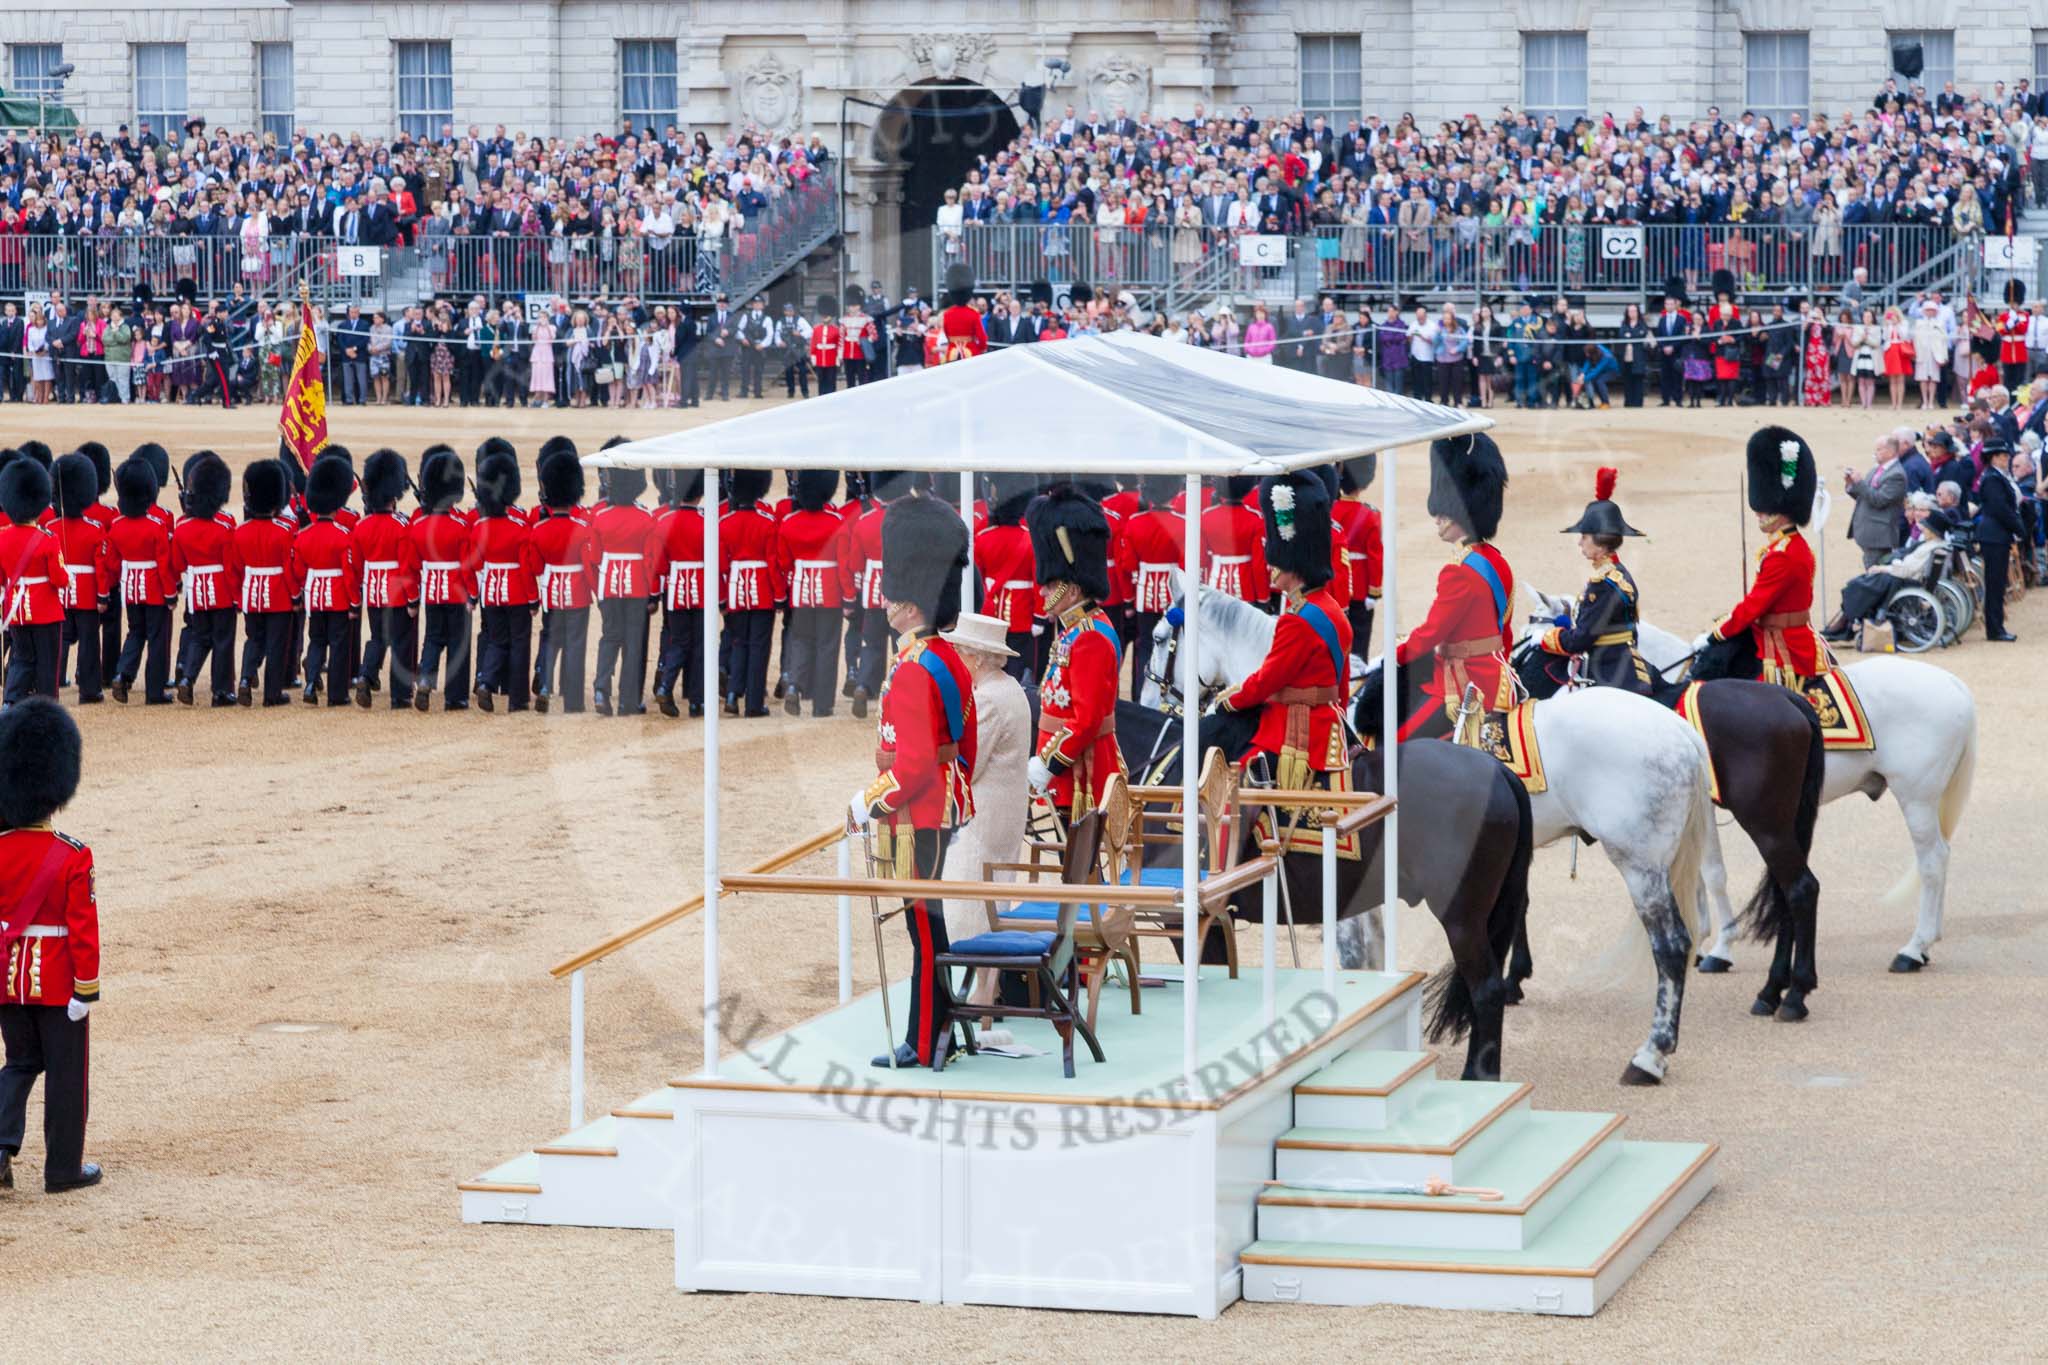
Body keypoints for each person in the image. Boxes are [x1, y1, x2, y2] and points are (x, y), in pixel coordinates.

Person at [847, 495, 976, 1069]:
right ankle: (939, 1033)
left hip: (918, 813)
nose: (886, 599)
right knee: (932, 927)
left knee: (924, 932)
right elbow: (960, 749)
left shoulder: (914, 667)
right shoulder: (946, 658)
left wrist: (867, 801)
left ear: (910, 600)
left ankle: (925, 1044)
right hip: (941, 806)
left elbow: (915, 765)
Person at [0, 699, 103, 1194]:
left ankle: (0, 1147)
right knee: (66, 1075)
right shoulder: (71, 855)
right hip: (59, 981)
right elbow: (82, 927)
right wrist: (87, 990)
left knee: (19, 1062)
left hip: (7, 977)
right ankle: (63, 1169)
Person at [1210, 469, 1353, 790]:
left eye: (1276, 562)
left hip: (1297, 733)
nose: (1270, 567)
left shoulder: (1297, 621)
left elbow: (1268, 680)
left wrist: (1230, 701)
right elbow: (1340, 687)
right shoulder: (1330, 608)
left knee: (1230, 793)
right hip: (1329, 726)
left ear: (1294, 565)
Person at [1385, 434, 1514, 742]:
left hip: (1463, 685)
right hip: (1498, 678)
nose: (1437, 518)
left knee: (1396, 748)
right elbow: (1503, 632)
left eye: (1444, 511)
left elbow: (1431, 634)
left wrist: (1393, 654)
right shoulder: (1497, 562)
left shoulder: (1458, 572)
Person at [937, 612, 1031, 1006]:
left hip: (984, 814)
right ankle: (986, 991)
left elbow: (970, 765)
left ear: (975, 657)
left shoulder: (988, 698)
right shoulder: (1008, 689)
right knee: (992, 899)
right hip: (1001, 812)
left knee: (968, 904)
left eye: (960, 651)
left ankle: (983, 994)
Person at [1691, 427, 1825, 688]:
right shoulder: (1787, 547)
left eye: (1765, 509)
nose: (1759, 514)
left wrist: (1715, 635)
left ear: (1782, 510)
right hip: (1772, 635)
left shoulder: (1784, 555)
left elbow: (1754, 606)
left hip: (1783, 646)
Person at [1025, 487, 1124, 823]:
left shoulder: (1089, 637)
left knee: (1082, 869)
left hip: (1083, 770)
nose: (1044, 590)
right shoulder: (1076, 630)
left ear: (1075, 588)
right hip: (1072, 767)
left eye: (1052, 585)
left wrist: (1049, 762)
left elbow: (1086, 719)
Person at [1537, 468, 1653, 694]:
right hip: (1622, 663)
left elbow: (1579, 642)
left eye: (1584, 537)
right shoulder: (1616, 573)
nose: (1580, 543)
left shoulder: (1603, 584)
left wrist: (1546, 637)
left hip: (1610, 672)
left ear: (1600, 544)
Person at [468, 445, 538, 713]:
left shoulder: (478, 528)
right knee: (519, 642)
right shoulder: (520, 529)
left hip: (491, 592)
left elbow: (475, 563)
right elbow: (525, 567)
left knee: (497, 640)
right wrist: (533, 599)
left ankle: (486, 682)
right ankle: (517, 699)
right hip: (517, 592)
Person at [350, 449, 421, 710]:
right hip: (397, 591)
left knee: (378, 637)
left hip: (374, 590)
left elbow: (356, 565)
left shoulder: (361, 526)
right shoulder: (402, 525)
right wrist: (413, 598)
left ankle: (366, 675)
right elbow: (407, 567)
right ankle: (400, 696)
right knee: (401, 641)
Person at [589, 465, 661, 717]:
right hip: (637, 587)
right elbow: (651, 560)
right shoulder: (646, 517)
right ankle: (628, 701)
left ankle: (601, 689)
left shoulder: (601, 517)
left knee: (609, 637)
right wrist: (654, 594)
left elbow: (595, 557)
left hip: (609, 584)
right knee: (632, 644)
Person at [772, 470, 845, 716]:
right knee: (827, 646)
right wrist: (849, 596)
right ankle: (822, 705)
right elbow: (844, 562)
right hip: (830, 591)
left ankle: (794, 684)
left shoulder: (789, 523)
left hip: (801, 589)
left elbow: (783, 563)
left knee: (801, 641)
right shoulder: (835, 522)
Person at [531, 448, 597, 713]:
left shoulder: (539, 529)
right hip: (578, 593)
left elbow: (536, 567)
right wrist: (597, 593)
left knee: (549, 639)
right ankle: (573, 699)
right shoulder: (582, 529)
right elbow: (589, 567)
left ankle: (544, 685)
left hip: (551, 593)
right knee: (575, 643)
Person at [409, 450, 476, 712]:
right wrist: (473, 594)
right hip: (457, 590)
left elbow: (414, 565)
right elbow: (467, 565)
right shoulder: (460, 525)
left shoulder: (419, 526)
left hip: (432, 589)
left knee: (433, 638)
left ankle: (425, 677)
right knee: (458, 641)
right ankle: (455, 697)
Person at [105, 458, 175, 705]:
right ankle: (154, 692)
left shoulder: (116, 526)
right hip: (155, 588)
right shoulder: (156, 527)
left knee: (135, 632)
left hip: (131, 589)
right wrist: (171, 594)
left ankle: (123, 674)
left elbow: (112, 564)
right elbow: (164, 565)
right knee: (157, 638)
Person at [171, 452, 239, 708]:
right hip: (221, 590)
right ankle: (221, 691)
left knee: (200, 637)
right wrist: (236, 595)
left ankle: (188, 678)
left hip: (196, 592)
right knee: (223, 640)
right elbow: (230, 566)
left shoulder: (183, 527)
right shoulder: (225, 526)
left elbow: (178, 564)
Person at [0, 458, 68, 702]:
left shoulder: (2, 538)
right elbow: (60, 580)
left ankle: (11, 700)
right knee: (48, 666)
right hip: (45, 612)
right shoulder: (47, 539)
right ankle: (46, 708)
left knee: (21, 659)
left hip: (16, 612)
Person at [294, 456, 359, 707]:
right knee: (339, 644)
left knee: (316, 641)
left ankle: (311, 683)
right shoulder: (343, 536)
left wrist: (297, 595)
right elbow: (349, 572)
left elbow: (298, 570)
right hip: (338, 595)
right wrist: (354, 602)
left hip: (314, 594)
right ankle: (337, 693)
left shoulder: (304, 535)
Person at [234, 461, 298, 707]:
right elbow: (289, 569)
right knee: (276, 645)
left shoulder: (241, 532)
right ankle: (272, 694)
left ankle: (245, 679)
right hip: (279, 594)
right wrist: (295, 596)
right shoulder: (285, 530)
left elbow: (236, 568)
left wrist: (239, 596)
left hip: (252, 592)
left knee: (254, 639)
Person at [49, 455, 107, 703]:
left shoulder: (51, 527)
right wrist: (102, 595)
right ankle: (89, 689)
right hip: (86, 592)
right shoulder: (94, 529)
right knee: (89, 643)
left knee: (59, 639)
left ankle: (53, 682)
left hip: (60, 591)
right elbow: (101, 567)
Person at [651, 469, 706, 718]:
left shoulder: (664, 523)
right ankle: (696, 701)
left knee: (679, 641)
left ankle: (665, 684)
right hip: (701, 589)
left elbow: (660, 565)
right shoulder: (707, 522)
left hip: (675, 590)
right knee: (699, 646)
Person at [1331, 456, 1382, 656]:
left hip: (1334, 585)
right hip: (1361, 588)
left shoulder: (1330, 510)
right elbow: (1375, 556)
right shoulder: (1370, 514)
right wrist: (1374, 591)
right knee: (1359, 643)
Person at [1976, 437, 2025, 642]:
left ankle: (1996, 626)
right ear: (1993, 458)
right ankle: (1995, 628)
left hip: (1997, 534)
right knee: (1994, 583)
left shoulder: (1995, 476)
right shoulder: (1992, 478)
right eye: (2003, 456)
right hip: (1994, 534)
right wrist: (2018, 527)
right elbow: (2000, 509)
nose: (2006, 459)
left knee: (1997, 582)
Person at [1846, 433, 1908, 568]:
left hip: (1879, 536)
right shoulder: (1877, 468)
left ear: (1891, 452)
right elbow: (1864, 495)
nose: (1876, 452)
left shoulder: (1896, 475)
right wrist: (1851, 485)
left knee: (1874, 574)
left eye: (1879, 449)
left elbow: (1879, 500)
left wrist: (1859, 482)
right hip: (1869, 532)